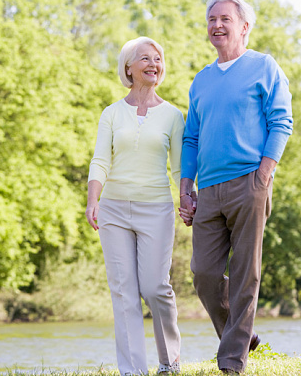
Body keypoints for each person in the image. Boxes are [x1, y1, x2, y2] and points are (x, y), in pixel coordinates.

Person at [179, 0, 293, 374]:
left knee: (246, 272)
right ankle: (242, 334)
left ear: (244, 26)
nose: (217, 25)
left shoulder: (264, 66)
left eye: (225, 19)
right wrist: (185, 185)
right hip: (208, 190)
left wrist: (265, 172)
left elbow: (281, 120)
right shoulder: (202, 80)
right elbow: (191, 137)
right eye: (212, 19)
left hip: (250, 182)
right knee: (204, 273)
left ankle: (231, 361)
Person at [86, 36, 183, 375]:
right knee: (124, 291)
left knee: (156, 287)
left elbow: (179, 168)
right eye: (145, 58)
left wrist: (188, 196)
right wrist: (92, 199)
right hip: (114, 209)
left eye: (157, 58)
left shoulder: (173, 115)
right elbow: (101, 159)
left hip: (157, 208)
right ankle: (132, 371)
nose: (153, 63)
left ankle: (169, 362)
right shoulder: (111, 113)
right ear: (128, 67)